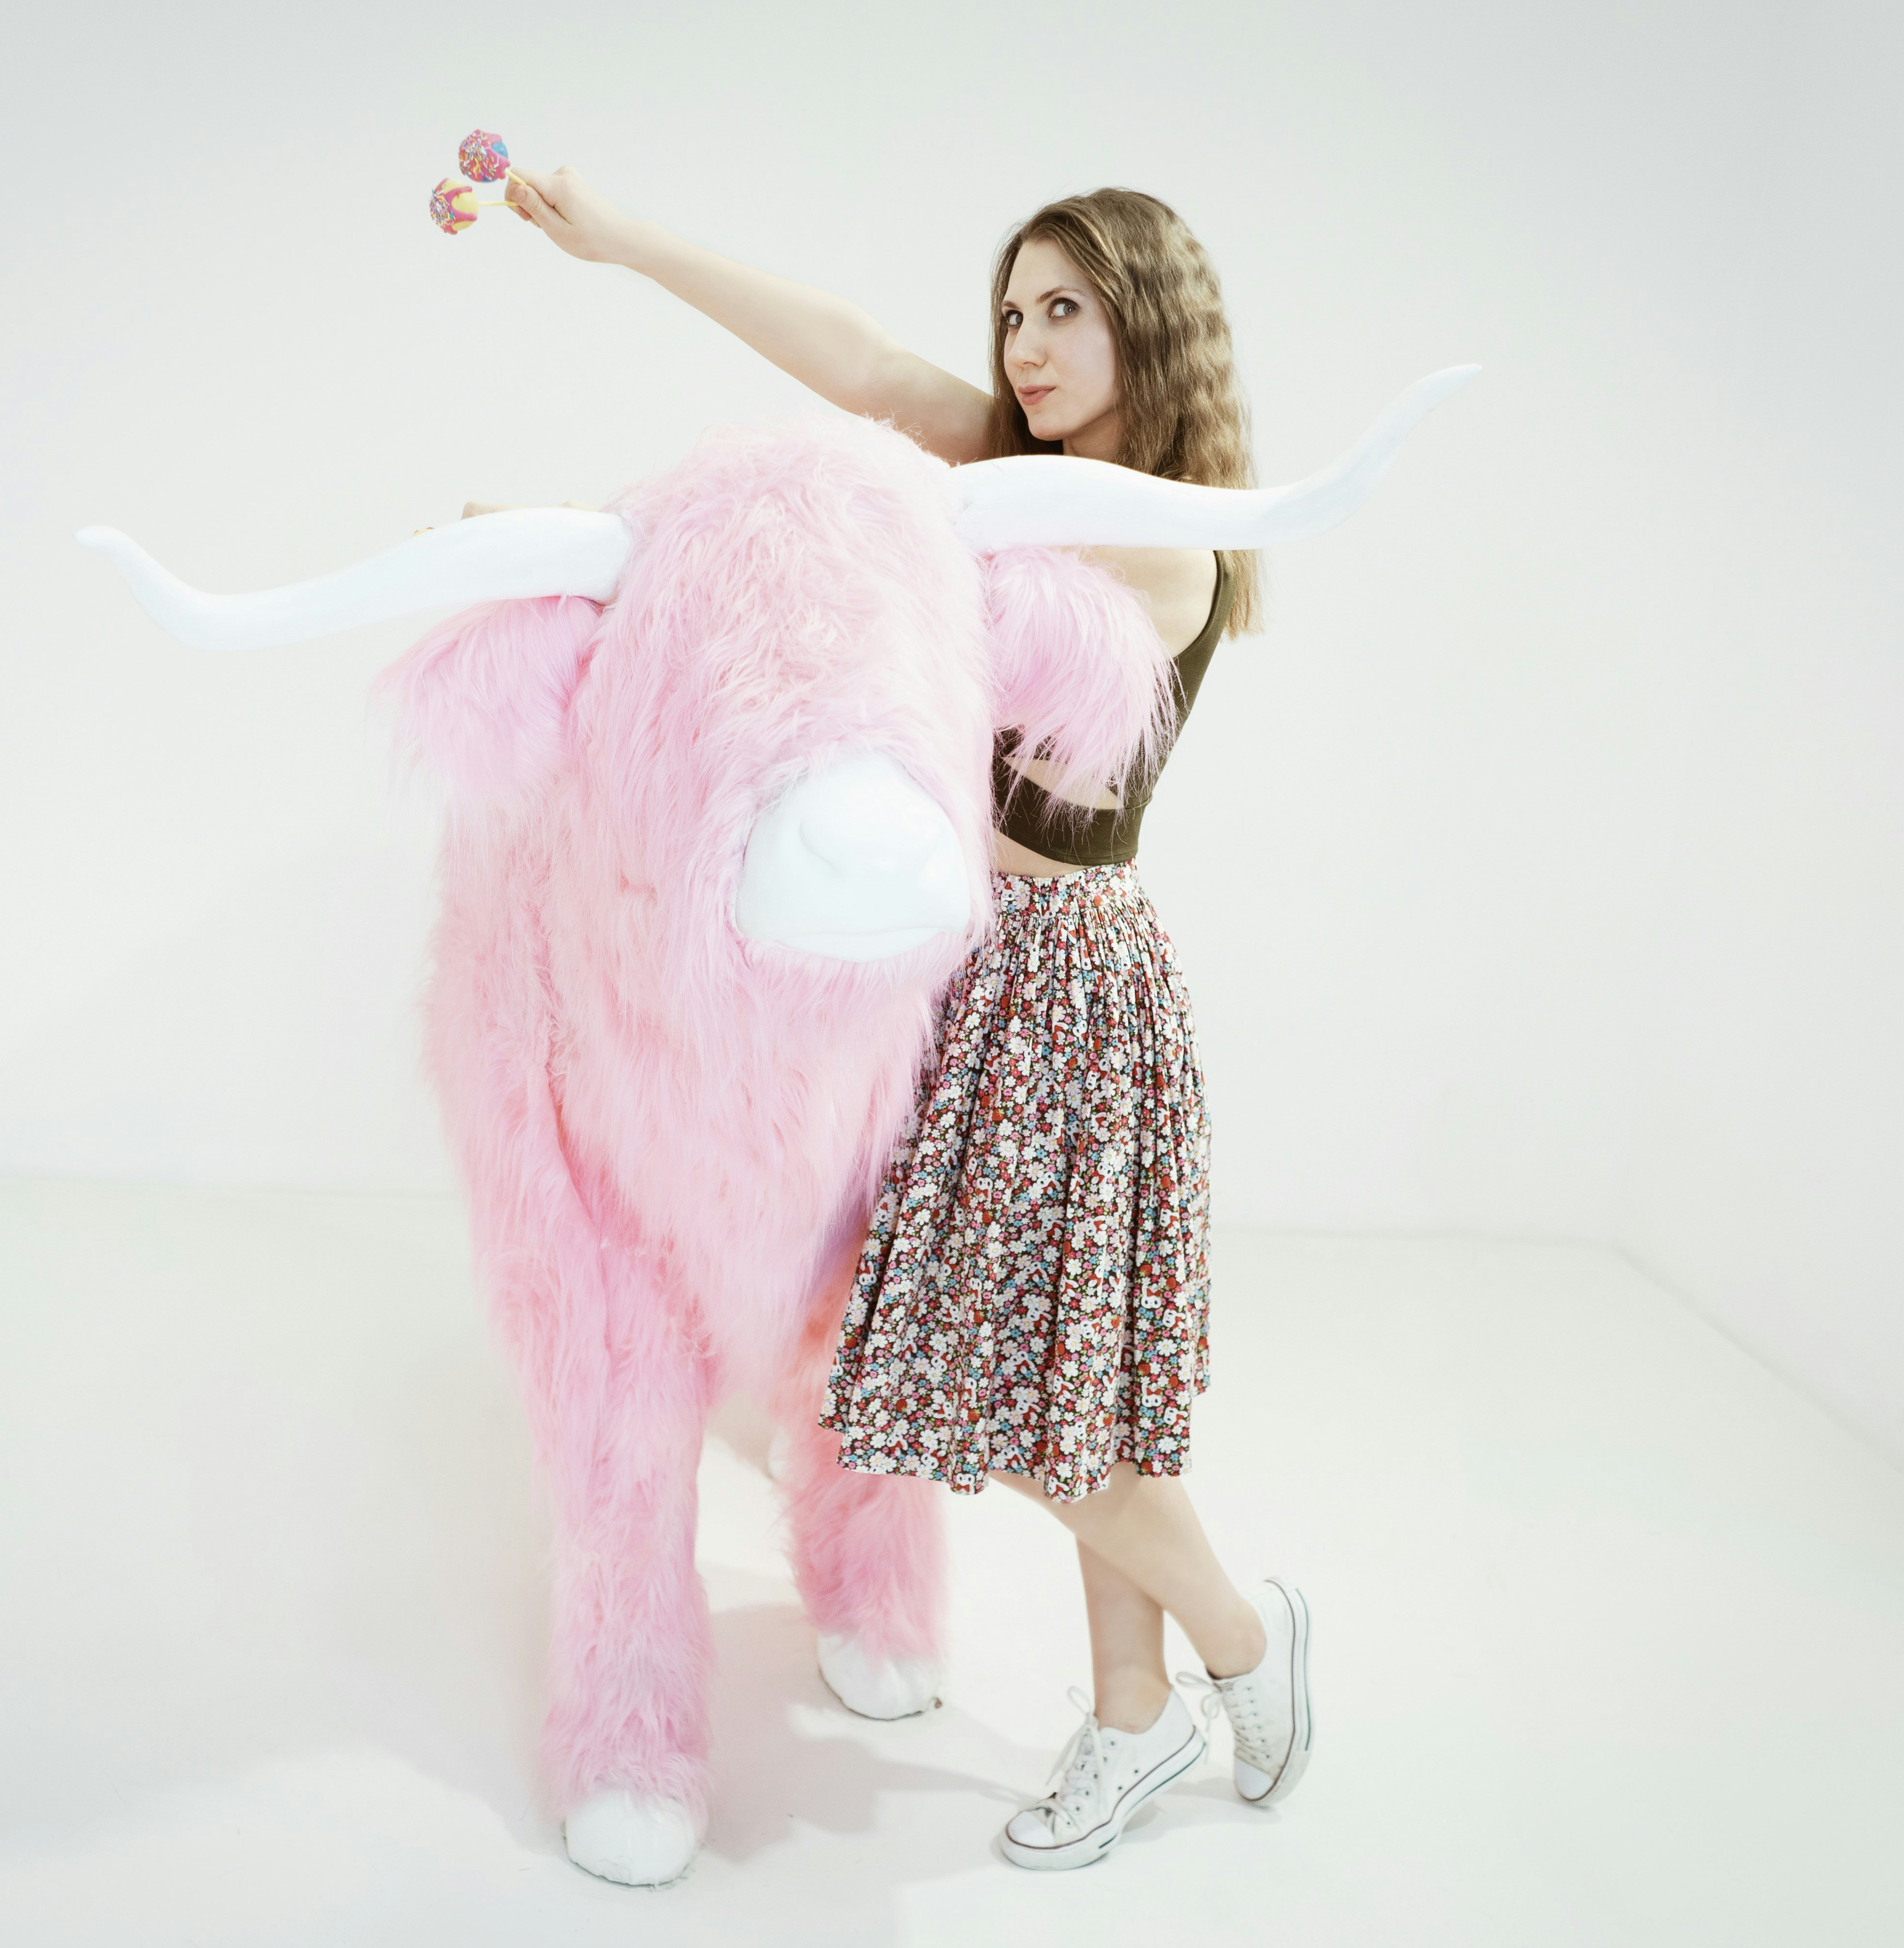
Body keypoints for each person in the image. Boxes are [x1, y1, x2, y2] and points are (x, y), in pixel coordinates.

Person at [498, 168, 1311, 1872]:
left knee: (1009, 1400)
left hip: (1060, 985)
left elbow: (941, 513)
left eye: (1065, 308)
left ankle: (1240, 1636)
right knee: (1067, 1378)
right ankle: (1133, 1719)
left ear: (1146, 317)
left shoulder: (1157, 535)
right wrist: (624, 239)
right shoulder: (1020, 483)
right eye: (1013, 312)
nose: (1025, 344)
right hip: (938, 971)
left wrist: (862, 515)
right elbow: (865, 365)